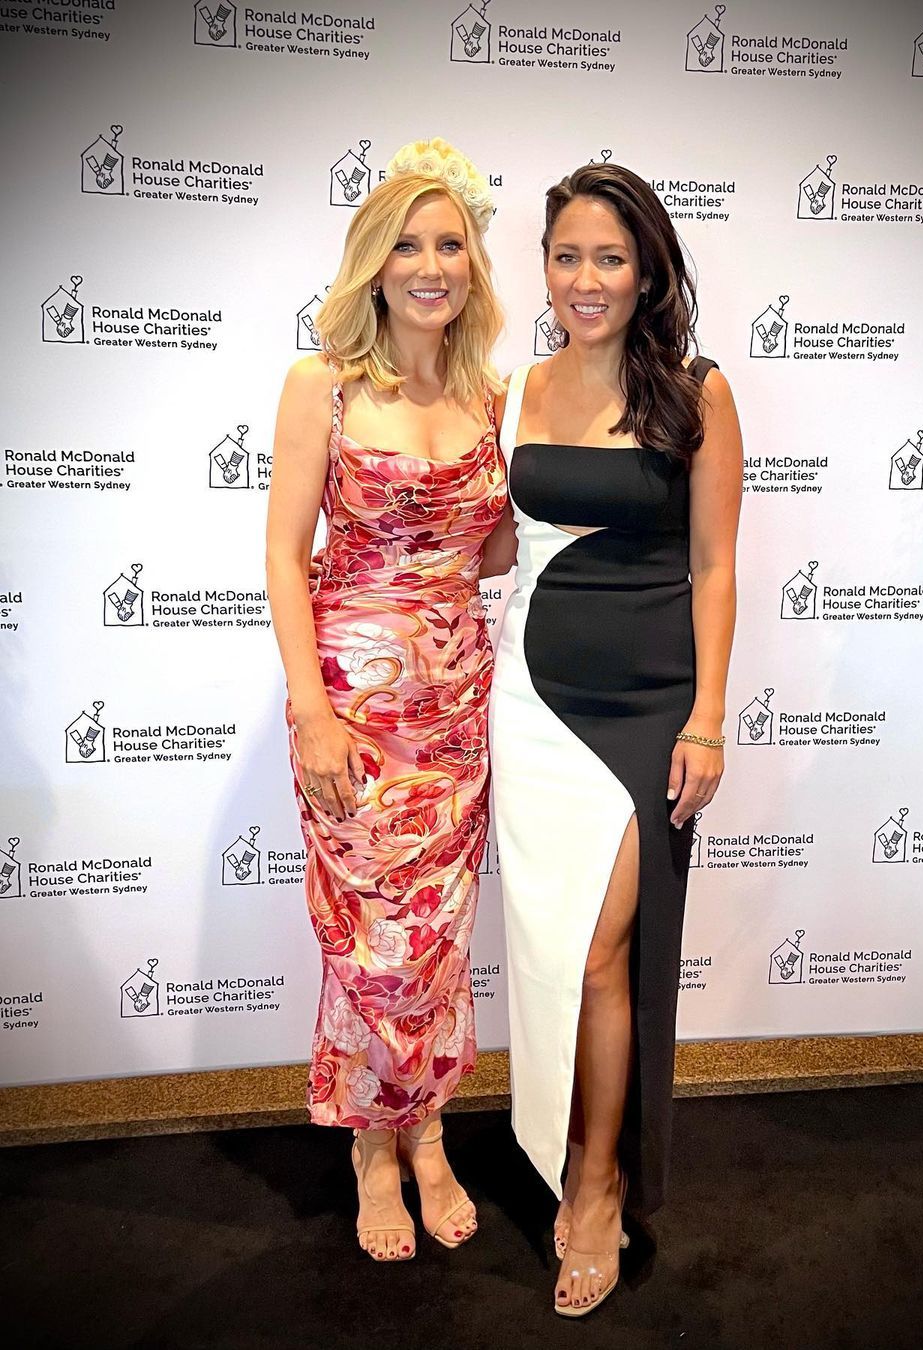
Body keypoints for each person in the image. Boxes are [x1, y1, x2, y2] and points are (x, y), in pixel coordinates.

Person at [483, 161, 743, 1315]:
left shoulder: (698, 393)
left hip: (648, 715)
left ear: (648, 273)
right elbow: (497, 542)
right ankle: (565, 1147)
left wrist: (708, 718)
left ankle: (596, 1185)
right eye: (567, 257)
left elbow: (715, 566)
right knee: (555, 956)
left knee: (603, 956)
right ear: (544, 269)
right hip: (533, 706)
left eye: (610, 258)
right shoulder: (517, 389)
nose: (585, 279)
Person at [266, 138, 505, 1262]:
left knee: (439, 937)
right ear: (373, 260)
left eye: (450, 243)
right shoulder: (320, 385)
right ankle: (373, 1144)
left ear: (474, 263)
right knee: (372, 940)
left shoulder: (493, 395)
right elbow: (284, 556)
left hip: (457, 706)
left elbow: (494, 547)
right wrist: (311, 711)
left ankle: (429, 1132)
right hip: (352, 714)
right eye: (407, 244)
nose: (430, 265)